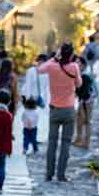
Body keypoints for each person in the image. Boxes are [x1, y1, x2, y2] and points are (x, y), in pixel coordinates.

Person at [38, 43, 82, 182]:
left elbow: (40, 69)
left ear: (60, 53)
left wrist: (54, 58)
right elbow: (79, 84)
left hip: (55, 110)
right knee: (65, 144)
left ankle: (49, 174)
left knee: (52, 143)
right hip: (68, 110)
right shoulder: (74, 67)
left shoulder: (52, 66)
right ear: (71, 54)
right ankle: (61, 175)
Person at [22, 53, 50, 150]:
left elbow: (47, 88)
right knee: (28, 119)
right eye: (40, 61)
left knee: (36, 119)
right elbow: (28, 85)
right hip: (29, 98)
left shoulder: (47, 73)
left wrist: (46, 101)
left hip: (38, 98)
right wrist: (28, 99)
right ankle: (28, 140)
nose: (41, 63)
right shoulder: (31, 71)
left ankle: (34, 139)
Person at [73, 56, 96, 149]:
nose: (76, 64)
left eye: (78, 62)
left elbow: (86, 91)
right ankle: (79, 140)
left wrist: (82, 102)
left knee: (86, 122)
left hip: (86, 102)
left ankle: (86, 142)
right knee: (79, 121)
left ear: (83, 65)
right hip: (82, 101)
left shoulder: (84, 75)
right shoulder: (80, 74)